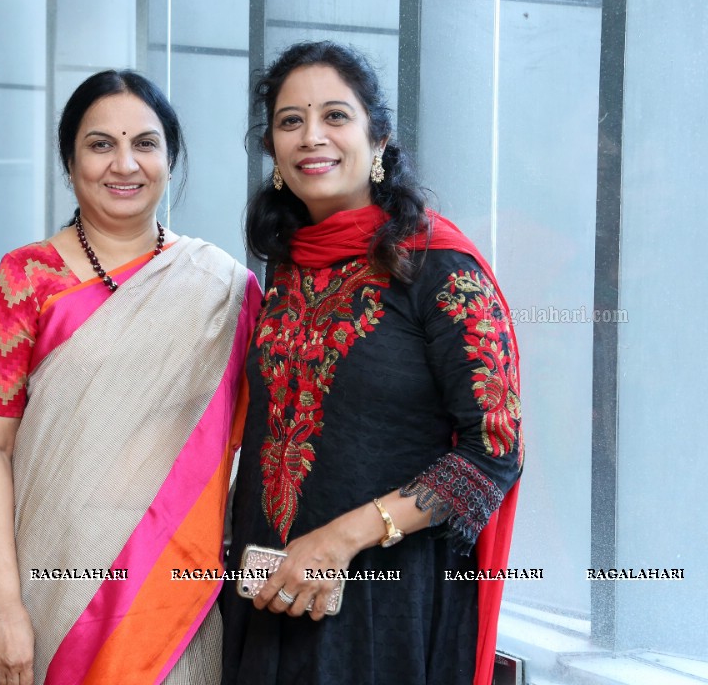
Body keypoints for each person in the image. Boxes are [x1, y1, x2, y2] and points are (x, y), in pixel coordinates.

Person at [220, 41, 523, 685]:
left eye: (335, 116)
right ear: (272, 150)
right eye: (290, 121)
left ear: (378, 137)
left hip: (384, 608)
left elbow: (493, 452)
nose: (312, 137)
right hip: (269, 593)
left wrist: (342, 539)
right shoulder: (285, 268)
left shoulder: (439, 266)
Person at [0, 70, 261, 685]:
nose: (124, 164)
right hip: (49, 582)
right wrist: (4, 607)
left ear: (171, 158)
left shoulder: (224, 288)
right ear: (70, 160)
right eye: (101, 144)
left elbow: (259, 443)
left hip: (174, 587)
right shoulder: (25, 279)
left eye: (145, 144)